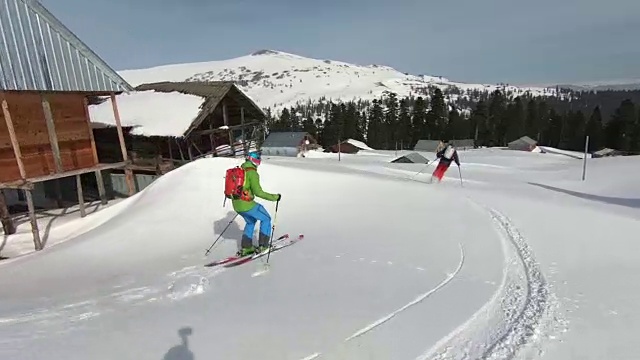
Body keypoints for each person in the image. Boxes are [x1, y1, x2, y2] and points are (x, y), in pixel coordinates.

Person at [232, 151, 281, 256]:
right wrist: (275, 197)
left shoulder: (240, 170)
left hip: (236, 204)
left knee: (250, 222)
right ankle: (263, 245)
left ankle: (247, 247)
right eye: (258, 159)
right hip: (246, 204)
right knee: (266, 218)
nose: (259, 162)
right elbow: (258, 192)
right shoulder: (252, 172)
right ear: (253, 160)